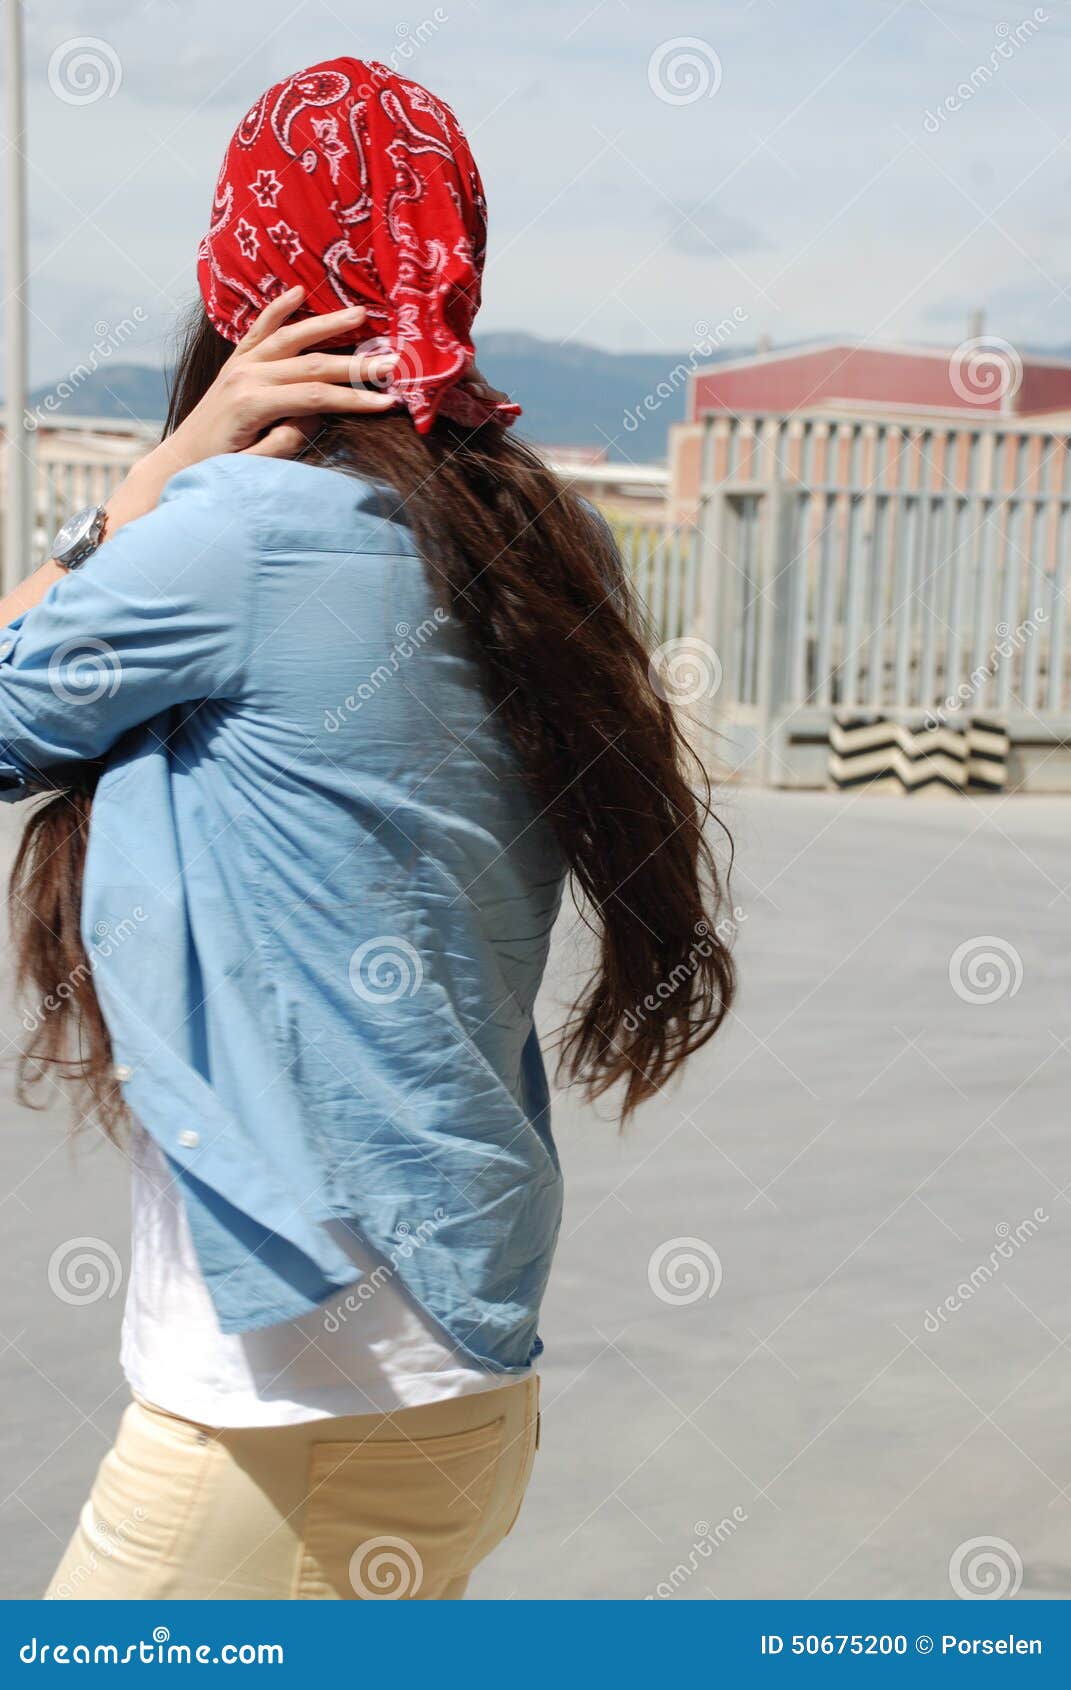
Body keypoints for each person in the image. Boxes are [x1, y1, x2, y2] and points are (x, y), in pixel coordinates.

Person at [1, 56, 734, 1601]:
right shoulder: (544, 533)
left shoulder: (236, 533)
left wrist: (152, 476)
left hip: (275, 1408)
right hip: (471, 1369)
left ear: (243, 283)